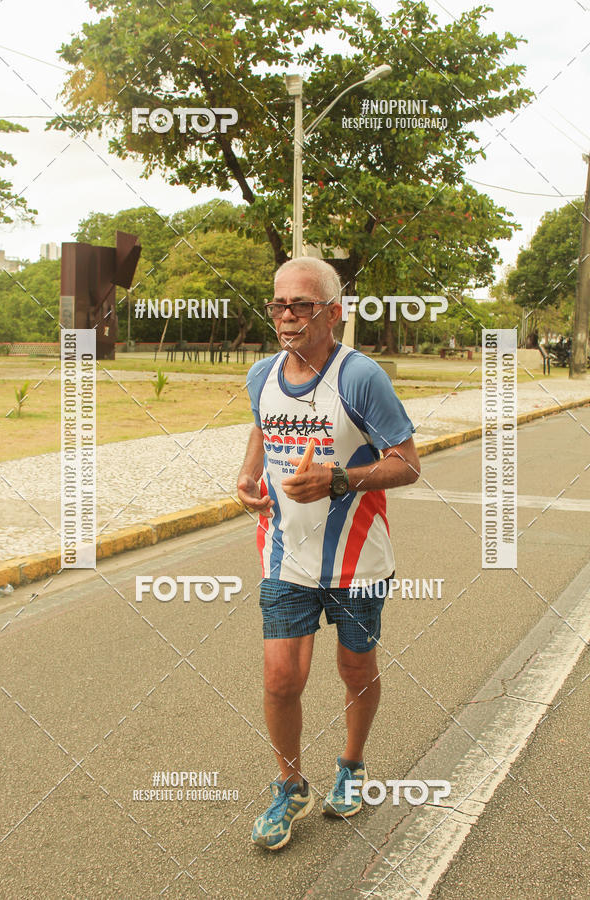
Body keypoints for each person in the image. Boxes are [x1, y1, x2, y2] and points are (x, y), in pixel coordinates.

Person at [237, 257, 420, 850]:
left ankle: (352, 765)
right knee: (280, 679)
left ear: (333, 312)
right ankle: (290, 786)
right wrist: (246, 476)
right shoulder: (262, 374)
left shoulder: (360, 377)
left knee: (355, 670)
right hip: (284, 555)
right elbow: (262, 425)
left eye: (302, 305)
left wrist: (339, 480)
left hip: (357, 561)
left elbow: (407, 464)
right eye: (279, 304)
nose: (287, 316)